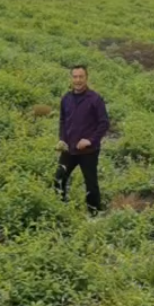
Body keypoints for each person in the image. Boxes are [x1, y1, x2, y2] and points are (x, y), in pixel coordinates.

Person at [55, 65, 109, 214]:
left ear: (86, 78)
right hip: (69, 149)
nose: (78, 80)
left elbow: (104, 123)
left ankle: (94, 214)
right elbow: (62, 120)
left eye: (81, 77)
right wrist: (62, 139)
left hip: (88, 151)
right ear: (71, 78)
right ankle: (60, 209)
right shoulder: (66, 98)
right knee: (59, 178)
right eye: (75, 77)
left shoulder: (95, 99)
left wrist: (90, 140)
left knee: (91, 184)